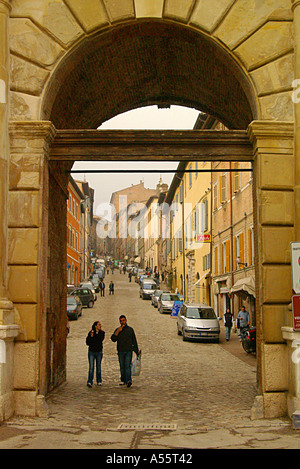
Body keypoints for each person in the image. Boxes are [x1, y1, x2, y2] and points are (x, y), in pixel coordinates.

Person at [111, 315, 139, 388]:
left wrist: (136, 351)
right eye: (121, 321)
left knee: (127, 366)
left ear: (126, 320)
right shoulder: (118, 330)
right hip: (120, 351)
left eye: (123, 320)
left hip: (128, 351)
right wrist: (117, 332)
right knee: (122, 366)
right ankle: (123, 380)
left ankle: (128, 380)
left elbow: (134, 340)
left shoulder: (130, 329)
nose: (122, 322)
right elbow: (113, 339)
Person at [86, 321, 105, 387]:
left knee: (98, 367)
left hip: (99, 352)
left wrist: (95, 335)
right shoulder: (90, 333)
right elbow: (87, 342)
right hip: (91, 352)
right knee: (91, 367)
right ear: (95, 326)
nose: (100, 326)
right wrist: (91, 337)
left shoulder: (102, 333)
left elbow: (100, 339)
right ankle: (90, 381)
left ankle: (99, 380)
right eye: (99, 325)